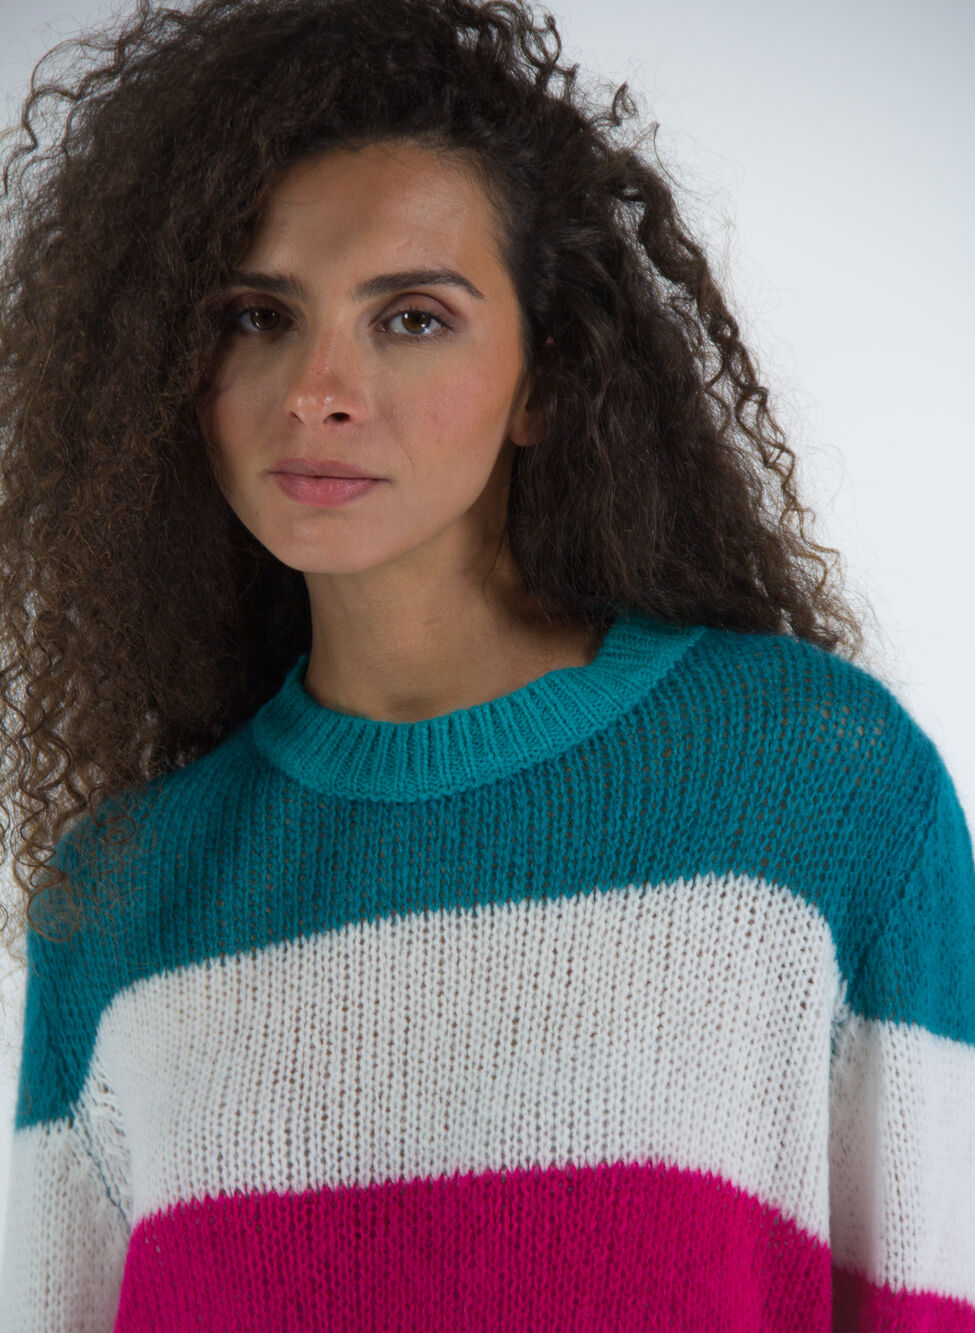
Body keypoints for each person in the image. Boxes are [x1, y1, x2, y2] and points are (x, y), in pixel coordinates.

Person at [0, 0, 971, 1328]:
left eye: (412, 318)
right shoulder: (122, 898)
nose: (317, 388)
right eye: (256, 315)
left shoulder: (819, 794)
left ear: (545, 380)